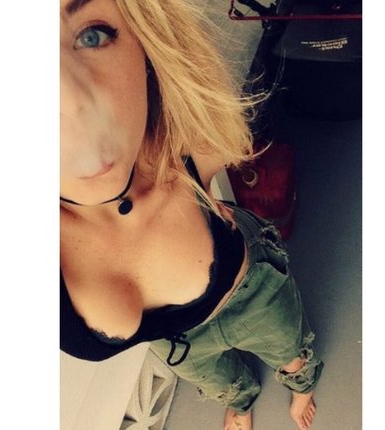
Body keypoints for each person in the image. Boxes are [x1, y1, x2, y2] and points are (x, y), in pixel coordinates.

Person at [60, 1, 324, 429]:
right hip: (178, 348)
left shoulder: (183, 150)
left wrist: (198, 195)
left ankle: (302, 385)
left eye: (93, 35)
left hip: (250, 295)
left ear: (145, 44)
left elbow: (225, 140)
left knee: (289, 350)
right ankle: (241, 402)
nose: (73, 106)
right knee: (221, 382)